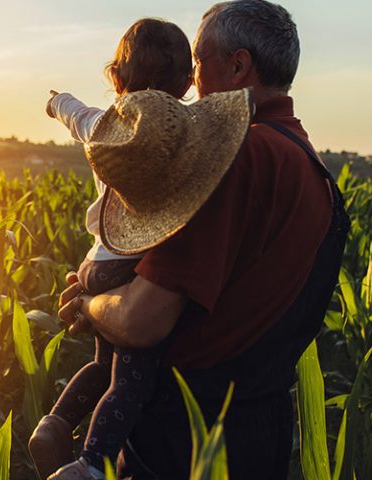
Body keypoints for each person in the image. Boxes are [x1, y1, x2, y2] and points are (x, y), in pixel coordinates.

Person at [56, 1, 351, 478]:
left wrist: (88, 304)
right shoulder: (309, 166)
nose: (189, 80)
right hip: (260, 432)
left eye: (197, 60)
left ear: (237, 65)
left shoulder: (234, 159)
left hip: (186, 437)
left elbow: (141, 320)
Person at [31, 18, 251, 480]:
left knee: (99, 363)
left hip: (95, 262)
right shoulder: (182, 136)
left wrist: (55, 102)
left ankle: (55, 422)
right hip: (130, 268)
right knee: (130, 380)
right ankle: (91, 465)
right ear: (188, 82)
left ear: (116, 78)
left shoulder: (101, 128)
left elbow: (73, 111)